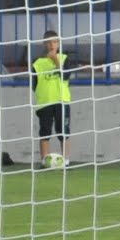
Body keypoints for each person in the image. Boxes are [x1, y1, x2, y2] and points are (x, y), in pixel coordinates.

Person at [33, 30, 75, 164]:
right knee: (44, 131)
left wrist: (55, 60)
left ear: (58, 43)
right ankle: (44, 161)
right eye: (49, 42)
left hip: (61, 101)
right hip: (45, 103)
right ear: (44, 44)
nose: (52, 45)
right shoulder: (37, 63)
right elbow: (34, 84)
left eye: (55, 42)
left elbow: (66, 76)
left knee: (63, 131)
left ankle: (66, 161)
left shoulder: (64, 59)